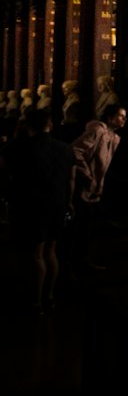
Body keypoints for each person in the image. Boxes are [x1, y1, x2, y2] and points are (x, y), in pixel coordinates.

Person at [4, 105, 76, 313]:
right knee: (51, 252)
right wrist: (68, 202)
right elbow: (71, 179)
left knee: (35, 255)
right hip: (57, 204)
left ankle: (35, 300)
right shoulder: (65, 148)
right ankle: (50, 295)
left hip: (30, 205)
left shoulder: (18, 146)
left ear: (26, 125)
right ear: (50, 125)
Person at [70, 102, 127, 269]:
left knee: (85, 227)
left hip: (93, 188)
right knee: (79, 225)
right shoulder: (97, 131)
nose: (124, 119)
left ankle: (81, 260)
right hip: (83, 186)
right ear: (110, 117)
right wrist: (87, 174)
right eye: (121, 115)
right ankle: (74, 262)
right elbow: (75, 150)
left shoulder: (113, 138)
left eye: (125, 116)